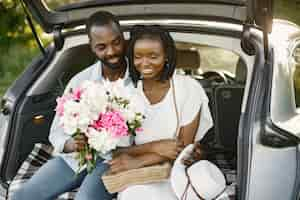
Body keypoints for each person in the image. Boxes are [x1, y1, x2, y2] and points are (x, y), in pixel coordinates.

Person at [11, 11, 129, 200]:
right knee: (22, 197)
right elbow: (55, 133)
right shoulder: (80, 82)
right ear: (91, 47)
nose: (111, 51)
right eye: (102, 46)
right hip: (75, 159)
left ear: (123, 38)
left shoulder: (140, 82)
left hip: (114, 161)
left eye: (116, 42)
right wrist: (70, 144)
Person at [108, 25, 214, 199]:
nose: (145, 63)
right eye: (138, 56)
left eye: (153, 56)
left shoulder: (188, 89)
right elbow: (116, 151)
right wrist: (155, 147)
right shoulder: (125, 94)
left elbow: (181, 149)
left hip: (175, 174)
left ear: (166, 57)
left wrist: (138, 159)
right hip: (135, 176)